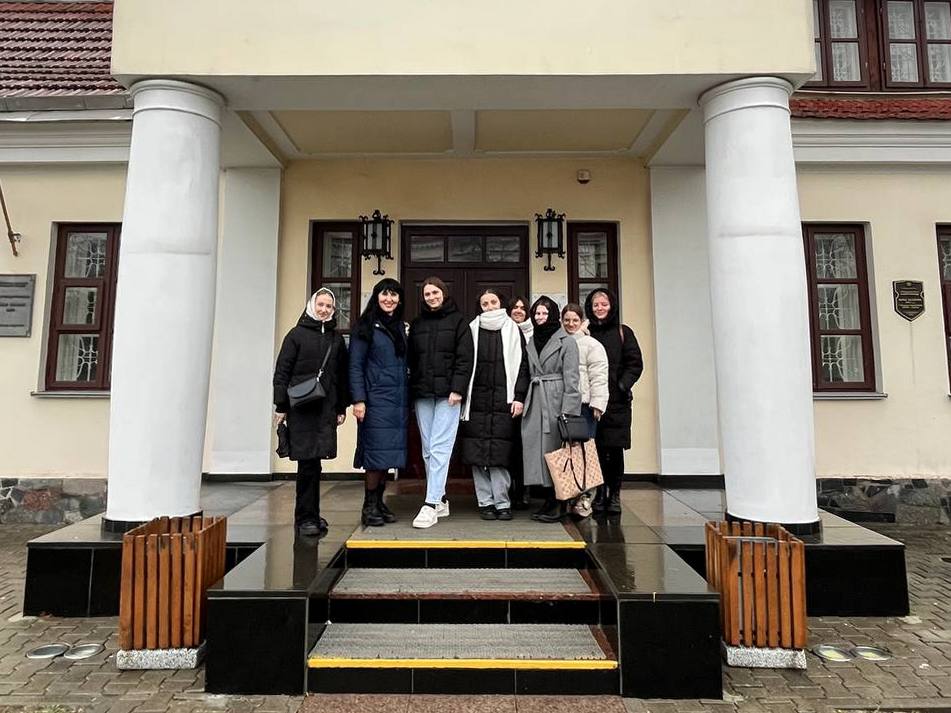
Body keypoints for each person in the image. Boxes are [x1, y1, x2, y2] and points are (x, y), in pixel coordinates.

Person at [273, 288, 350, 537]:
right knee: (307, 464)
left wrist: (341, 407)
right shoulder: (295, 335)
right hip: (302, 409)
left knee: (315, 464)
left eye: (329, 306)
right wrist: (281, 406)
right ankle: (305, 518)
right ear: (312, 306)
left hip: (325, 409)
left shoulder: (336, 339)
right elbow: (282, 372)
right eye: (321, 305)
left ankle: (312, 514)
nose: (324, 310)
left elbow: (341, 376)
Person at [407, 277, 474, 529]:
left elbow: (465, 358)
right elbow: (411, 358)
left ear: (444, 294)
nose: (431, 297)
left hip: (449, 395)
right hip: (423, 394)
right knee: (428, 449)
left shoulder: (458, 322)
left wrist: (458, 389)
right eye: (427, 294)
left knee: (439, 448)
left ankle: (431, 503)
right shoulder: (417, 324)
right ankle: (441, 498)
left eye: (435, 292)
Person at [460, 289, 529, 520]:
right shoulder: (471, 329)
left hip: (504, 402)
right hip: (476, 401)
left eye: (493, 302)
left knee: (500, 454)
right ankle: (485, 502)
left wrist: (519, 396)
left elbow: (523, 367)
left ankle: (502, 502)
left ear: (501, 304)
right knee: (477, 454)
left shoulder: (513, 330)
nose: (490, 306)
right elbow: (463, 364)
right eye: (485, 303)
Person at [349, 278, 410, 527]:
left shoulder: (399, 327)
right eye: (385, 294)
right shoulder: (364, 327)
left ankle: (379, 502)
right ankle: (369, 506)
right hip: (374, 401)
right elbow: (355, 366)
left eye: (394, 295)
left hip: (396, 402)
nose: (389, 299)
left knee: (387, 456)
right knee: (375, 456)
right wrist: (358, 400)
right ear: (376, 297)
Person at [521, 296, 582, 522]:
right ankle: (549, 498)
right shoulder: (531, 340)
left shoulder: (567, 341)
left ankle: (561, 502)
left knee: (558, 451)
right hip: (536, 397)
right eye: (537, 313)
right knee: (540, 451)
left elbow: (572, 379)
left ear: (553, 315)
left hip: (556, 400)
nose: (540, 317)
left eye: (544, 313)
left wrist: (569, 412)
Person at [584, 288, 644, 514]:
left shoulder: (623, 332)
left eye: (604, 304)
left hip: (617, 402)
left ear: (612, 306)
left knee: (615, 450)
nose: (599, 308)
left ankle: (615, 494)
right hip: (592, 402)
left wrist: (622, 385)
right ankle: (600, 493)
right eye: (595, 305)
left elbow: (635, 364)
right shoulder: (586, 332)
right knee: (596, 449)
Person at [561, 304, 609, 439]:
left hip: (584, 406)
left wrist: (598, 403)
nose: (571, 324)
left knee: (585, 447)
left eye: (575, 320)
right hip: (562, 403)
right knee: (565, 448)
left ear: (582, 321)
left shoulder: (592, 345)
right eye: (567, 320)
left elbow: (599, 376)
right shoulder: (557, 343)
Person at [505, 295, 533, 508]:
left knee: (526, 445)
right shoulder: (504, 331)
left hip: (531, 396)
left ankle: (525, 490)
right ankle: (510, 489)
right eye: (515, 307)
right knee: (510, 445)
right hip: (507, 396)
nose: (518, 311)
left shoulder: (534, 332)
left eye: (523, 308)